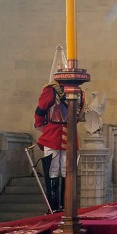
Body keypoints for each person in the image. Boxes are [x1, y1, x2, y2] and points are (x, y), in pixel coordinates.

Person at [34, 50, 84, 213]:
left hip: (53, 133)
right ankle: (64, 206)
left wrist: (41, 126)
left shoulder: (49, 90)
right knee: (65, 170)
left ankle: (55, 207)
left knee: (54, 171)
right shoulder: (79, 91)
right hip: (68, 134)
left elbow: (40, 111)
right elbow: (79, 114)